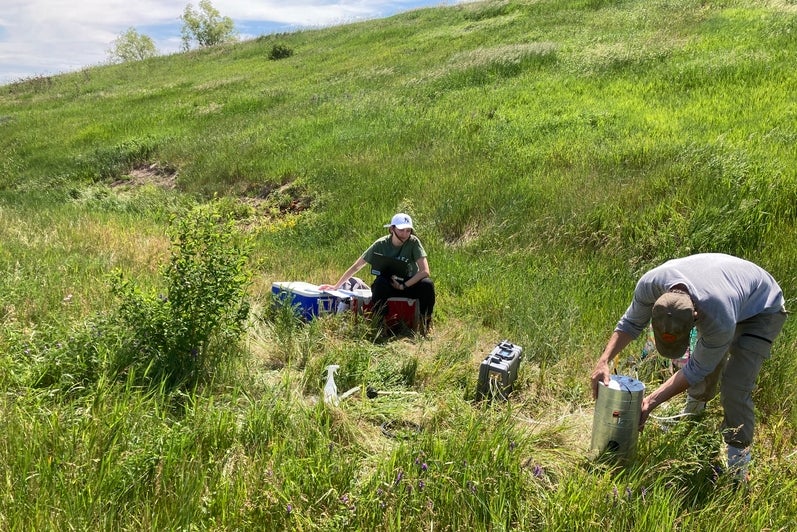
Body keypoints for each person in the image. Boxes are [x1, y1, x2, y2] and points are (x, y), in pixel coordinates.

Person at [590, 253, 787, 480]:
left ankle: (737, 467)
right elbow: (631, 323)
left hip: (762, 307)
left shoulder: (717, 316)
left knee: (735, 387)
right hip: (725, 289)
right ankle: (693, 416)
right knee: (709, 360)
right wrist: (603, 360)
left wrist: (650, 402)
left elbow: (696, 368)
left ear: (695, 317)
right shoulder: (650, 285)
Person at [320, 213, 436, 335]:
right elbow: (357, 265)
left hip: (408, 283)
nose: (405, 234)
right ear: (392, 229)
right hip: (388, 284)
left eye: (408, 231)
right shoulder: (381, 244)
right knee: (380, 283)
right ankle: (380, 325)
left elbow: (425, 271)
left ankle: (425, 324)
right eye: (401, 230)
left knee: (427, 285)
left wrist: (404, 286)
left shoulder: (413, 242)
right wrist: (336, 286)